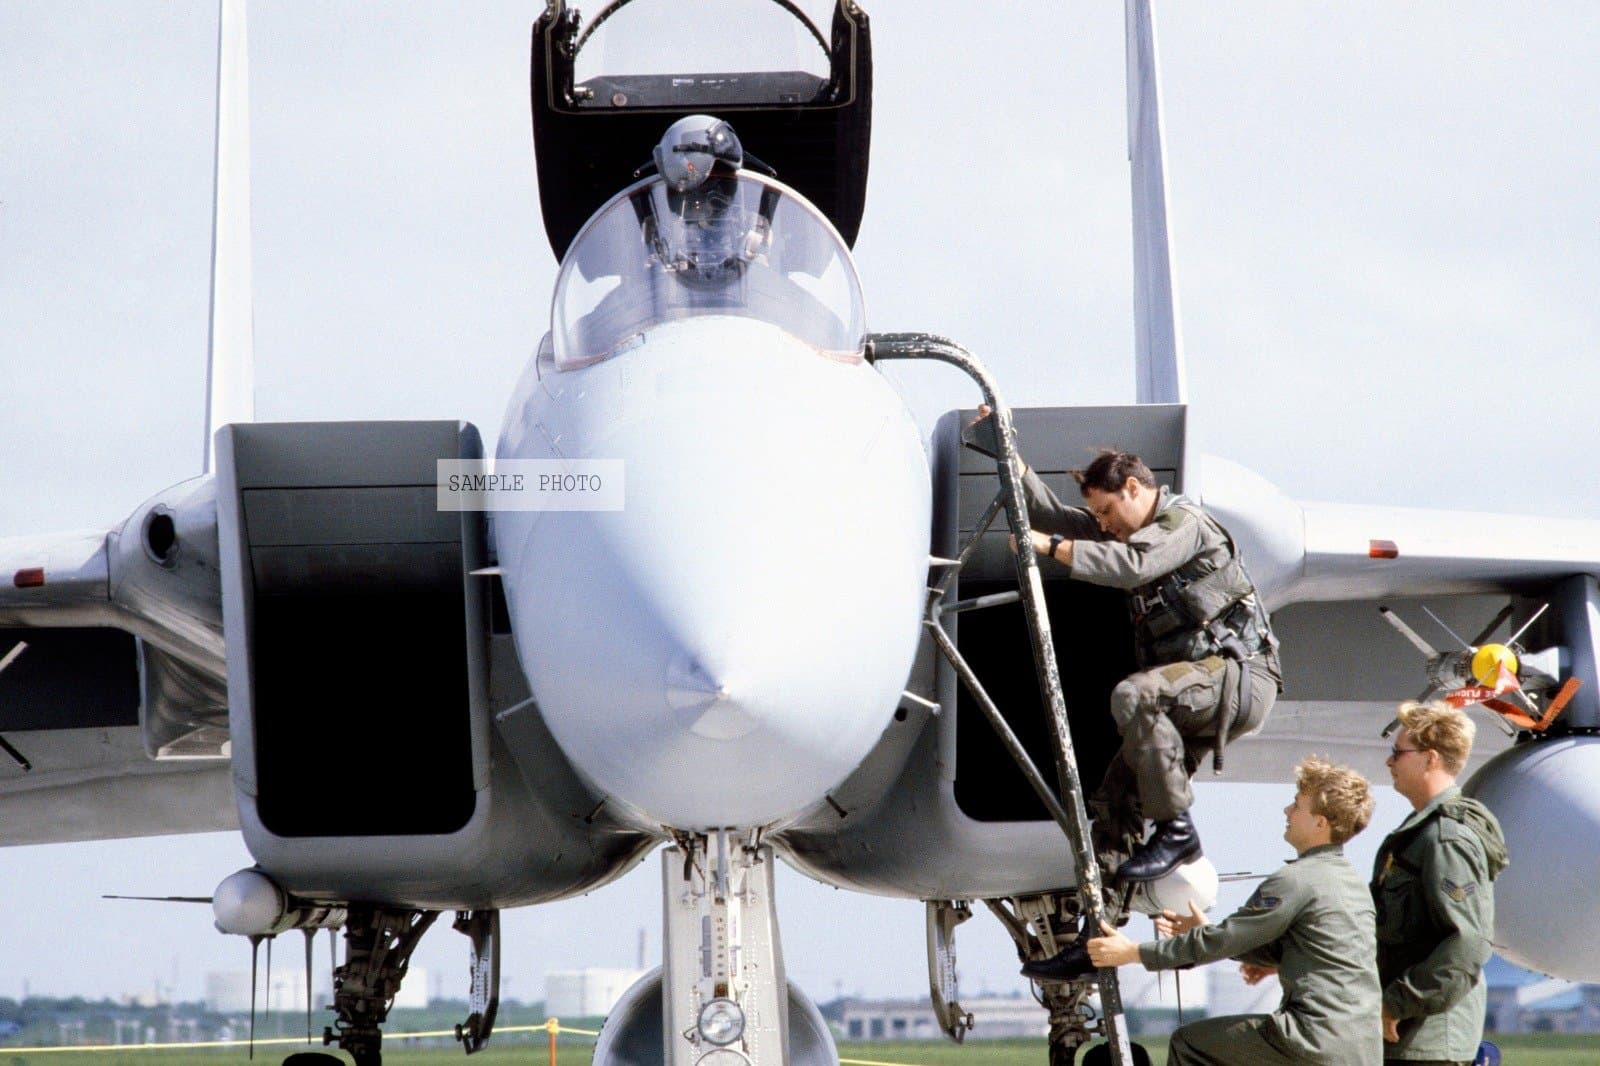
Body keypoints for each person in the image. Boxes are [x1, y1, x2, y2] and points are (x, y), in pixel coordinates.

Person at [1082, 757, 1382, 1065]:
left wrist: (1132, 953)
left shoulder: (1297, 880)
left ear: (1320, 823)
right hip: (1363, 1048)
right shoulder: (1352, 884)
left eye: (1297, 805)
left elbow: (1224, 940)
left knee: (1189, 1044)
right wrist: (1207, 931)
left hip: (1314, 1040)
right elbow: (1291, 951)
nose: (1287, 811)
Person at [1373, 700, 1507, 1063]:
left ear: (1430, 759)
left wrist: (1394, 1005)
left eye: (1397, 753)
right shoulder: (1422, 833)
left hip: (1427, 1043)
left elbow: (1467, 943)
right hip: (1412, 1041)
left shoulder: (1446, 839)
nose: (1389, 762)